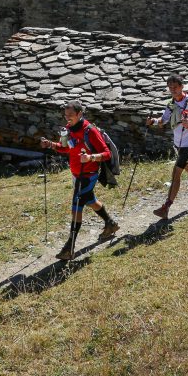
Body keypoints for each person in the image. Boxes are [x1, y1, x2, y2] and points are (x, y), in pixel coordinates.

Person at [40, 101, 119, 260]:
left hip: (88, 174)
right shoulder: (68, 129)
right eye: (65, 115)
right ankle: (110, 224)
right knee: (89, 200)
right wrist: (50, 144)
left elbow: (106, 153)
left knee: (76, 205)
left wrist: (90, 157)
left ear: (79, 114)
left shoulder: (90, 131)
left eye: (70, 115)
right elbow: (66, 148)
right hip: (77, 174)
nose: (67, 118)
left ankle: (70, 247)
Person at [146, 74, 188, 219]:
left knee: (176, 174)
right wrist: (153, 121)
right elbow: (163, 121)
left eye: (175, 87)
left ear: (182, 87)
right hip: (178, 145)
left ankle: (166, 207)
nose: (172, 90)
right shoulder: (171, 104)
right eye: (170, 88)